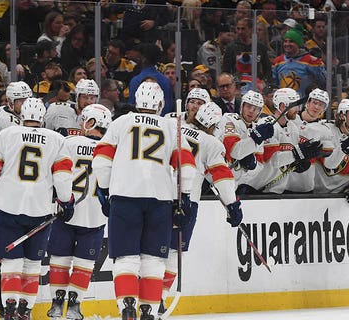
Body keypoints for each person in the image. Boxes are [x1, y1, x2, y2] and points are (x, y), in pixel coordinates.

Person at [92, 82, 194, 318]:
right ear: (159, 104)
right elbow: (186, 166)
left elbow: (101, 161)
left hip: (125, 197)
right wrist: (185, 196)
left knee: (126, 258)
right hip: (160, 200)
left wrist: (105, 191)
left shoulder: (121, 122)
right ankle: (148, 309)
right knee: (153, 259)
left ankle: (127, 304)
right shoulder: (171, 125)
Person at [0, 97, 74, 320]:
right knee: (32, 262)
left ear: (22, 116)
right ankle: (25, 310)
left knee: (11, 262)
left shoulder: (8, 134)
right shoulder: (57, 139)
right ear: (42, 117)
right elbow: (63, 177)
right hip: (39, 211)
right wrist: (66, 201)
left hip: (8, 209)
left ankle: (9, 308)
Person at [160, 101, 243, 315]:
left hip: (158, 195)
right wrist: (232, 204)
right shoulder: (212, 143)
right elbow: (222, 177)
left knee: (151, 249)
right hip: (188, 201)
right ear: (214, 125)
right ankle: (159, 297)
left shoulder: (171, 124)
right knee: (174, 252)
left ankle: (144, 296)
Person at [46, 104, 112, 320]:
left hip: (66, 211)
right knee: (85, 264)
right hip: (96, 216)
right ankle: (74, 306)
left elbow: (56, 173)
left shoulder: (69, 142)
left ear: (91, 122)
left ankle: (57, 304)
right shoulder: (111, 149)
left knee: (59, 260)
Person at [217, 90, 273, 193]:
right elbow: (235, 151)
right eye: (248, 106)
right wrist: (255, 139)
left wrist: (253, 164)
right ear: (242, 106)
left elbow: (259, 166)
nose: (251, 110)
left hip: (239, 185)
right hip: (219, 181)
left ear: (259, 112)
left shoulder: (258, 130)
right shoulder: (229, 120)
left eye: (255, 109)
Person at [286, 88, 334, 193]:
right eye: (314, 102)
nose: (316, 107)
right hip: (281, 182)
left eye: (321, 105)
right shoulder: (289, 119)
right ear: (307, 102)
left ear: (324, 109)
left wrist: (312, 156)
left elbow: (328, 151)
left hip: (304, 185)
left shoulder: (324, 130)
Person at [271, 28, 327, 97]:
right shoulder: (277, 61)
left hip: (304, 103)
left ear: (298, 44)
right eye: (285, 41)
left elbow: (323, 82)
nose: (287, 44)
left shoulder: (311, 61)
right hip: (283, 102)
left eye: (291, 41)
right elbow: (274, 84)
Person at [128, 43, 175, 116]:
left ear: (144, 59)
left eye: (140, 56)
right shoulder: (166, 81)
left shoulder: (135, 81)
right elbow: (168, 107)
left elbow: (131, 107)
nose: (138, 59)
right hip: (162, 123)